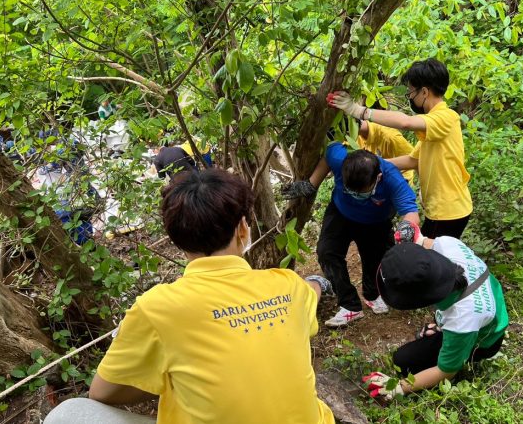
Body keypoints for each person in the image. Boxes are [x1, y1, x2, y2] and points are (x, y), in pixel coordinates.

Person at [44, 168, 335, 424]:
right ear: (243, 228)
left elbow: (103, 392)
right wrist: (318, 281)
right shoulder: (287, 285)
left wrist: (166, 372)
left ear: (175, 237)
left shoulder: (157, 308)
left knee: (67, 414)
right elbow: (310, 292)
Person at [329, 58, 472, 239]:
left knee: (431, 261)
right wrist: (374, 165)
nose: (410, 97)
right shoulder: (434, 127)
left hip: (447, 211)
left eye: (411, 92)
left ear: (425, 92)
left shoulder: (446, 117)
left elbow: (405, 122)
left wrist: (359, 111)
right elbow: (413, 160)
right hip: (444, 210)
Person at [282, 142, 420, 328]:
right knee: (327, 252)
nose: (355, 195)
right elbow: (327, 156)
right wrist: (311, 184)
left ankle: (372, 294)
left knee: (374, 260)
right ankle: (349, 305)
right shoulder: (339, 158)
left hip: (375, 222)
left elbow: (411, 211)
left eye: (361, 192)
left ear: (378, 178)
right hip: (340, 213)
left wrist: (406, 228)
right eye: (350, 190)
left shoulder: (391, 178)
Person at [361, 237, 508, 400]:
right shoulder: (448, 245)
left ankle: (468, 351)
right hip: (485, 311)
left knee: (403, 362)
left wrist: (400, 387)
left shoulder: (462, 320)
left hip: (485, 339)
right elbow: (424, 242)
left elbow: (446, 371)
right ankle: (439, 329)